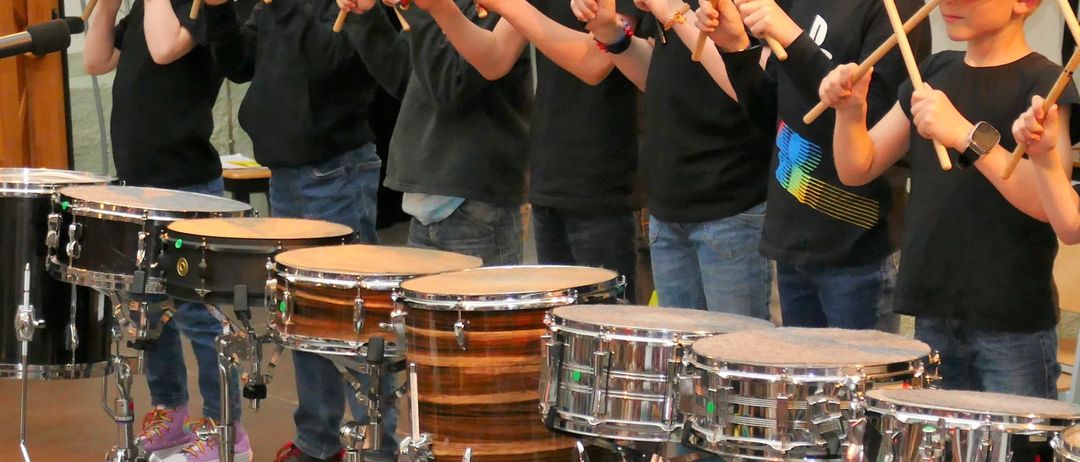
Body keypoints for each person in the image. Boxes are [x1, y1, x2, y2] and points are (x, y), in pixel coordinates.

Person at [820, 0, 1075, 397]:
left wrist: (964, 135)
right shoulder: (935, 72)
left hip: (1011, 318)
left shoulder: (1044, 82)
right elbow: (858, 167)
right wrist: (851, 113)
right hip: (933, 309)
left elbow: (1050, 206)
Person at [200, 0, 409, 459]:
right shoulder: (275, 6)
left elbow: (338, 69)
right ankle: (319, 439)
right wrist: (218, 12)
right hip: (287, 173)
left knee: (352, 315)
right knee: (303, 314)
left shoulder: (347, 7)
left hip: (334, 171)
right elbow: (238, 64)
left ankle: (377, 443)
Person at [692, 0, 929, 328]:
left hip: (857, 246)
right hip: (793, 237)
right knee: (802, 376)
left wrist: (794, 39)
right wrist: (734, 48)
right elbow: (769, 113)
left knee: (856, 377)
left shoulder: (897, 7)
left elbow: (875, 124)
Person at [84, 1, 249, 461]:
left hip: (188, 186)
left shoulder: (198, 7)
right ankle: (170, 411)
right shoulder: (148, 8)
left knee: (199, 316)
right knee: (149, 310)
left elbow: (162, 50)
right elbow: (95, 60)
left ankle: (225, 430)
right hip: (140, 185)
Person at [571, 0, 772, 317]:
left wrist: (673, 12)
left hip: (729, 202)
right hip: (667, 206)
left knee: (732, 353)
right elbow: (658, 76)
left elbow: (753, 83)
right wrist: (610, 30)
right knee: (678, 361)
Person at [336, 0, 531, 266]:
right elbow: (406, 79)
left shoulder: (492, 6)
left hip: (473, 198)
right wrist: (365, 17)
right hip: (426, 195)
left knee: (479, 308)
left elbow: (452, 87)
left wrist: (420, 7)